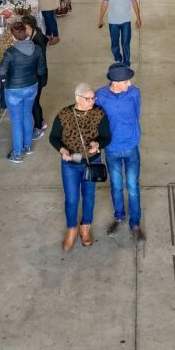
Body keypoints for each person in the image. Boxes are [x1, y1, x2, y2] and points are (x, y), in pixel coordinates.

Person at [49, 84, 112, 251]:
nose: (92, 101)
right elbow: (54, 138)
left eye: (93, 98)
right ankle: (72, 229)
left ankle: (85, 227)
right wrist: (62, 150)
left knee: (89, 196)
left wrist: (97, 145)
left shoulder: (99, 114)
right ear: (78, 98)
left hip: (91, 162)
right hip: (70, 164)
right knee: (71, 199)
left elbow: (107, 137)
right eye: (88, 99)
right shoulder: (64, 115)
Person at [96, 64, 143, 242]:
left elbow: (136, 113)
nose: (129, 84)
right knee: (116, 186)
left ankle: (135, 223)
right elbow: (96, 120)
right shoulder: (100, 96)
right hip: (112, 149)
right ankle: (119, 217)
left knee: (132, 187)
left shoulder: (134, 93)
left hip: (131, 146)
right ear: (115, 82)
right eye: (126, 81)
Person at [0, 22, 47, 163]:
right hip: (31, 87)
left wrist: (4, 78)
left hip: (14, 90)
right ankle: (28, 146)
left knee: (17, 121)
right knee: (27, 115)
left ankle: (17, 153)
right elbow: (41, 70)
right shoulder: (36, 49)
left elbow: (1, 73)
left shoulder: (10, 52)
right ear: (26, 33)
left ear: (13, 36)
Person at [98, 0, 142, 68]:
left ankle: (126, 63)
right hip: (113, 21)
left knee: (125, 43)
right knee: (114, 43)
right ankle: (118, 58)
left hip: (125, 21)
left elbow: (134, 3)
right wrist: (100, 18)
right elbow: (105, 3)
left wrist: (138, 18)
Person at [22, 15, 48, 139]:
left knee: (34, 102)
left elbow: (38, 60)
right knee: (35, 101)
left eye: (24, 28)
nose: (23, 30)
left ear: (31, 27)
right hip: (38, 74)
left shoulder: (38, 40)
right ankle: (41, 121)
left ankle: (38, 128)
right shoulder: (35, 34)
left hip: (38, 76)